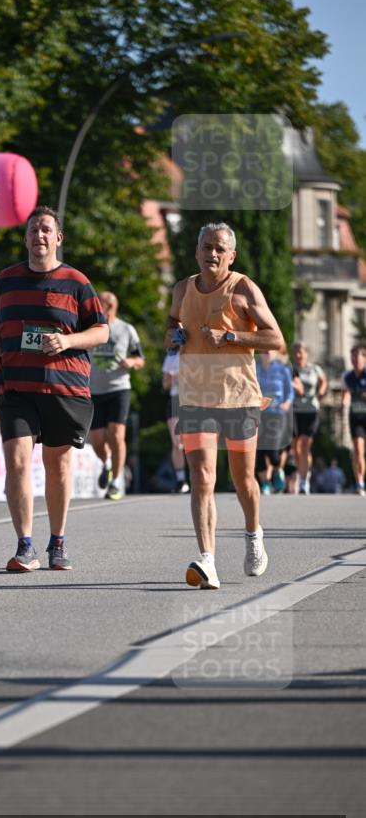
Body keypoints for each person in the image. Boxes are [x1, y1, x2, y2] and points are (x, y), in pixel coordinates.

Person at [0, 205, 108, 571]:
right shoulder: (6, 279)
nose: (39, 235)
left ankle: (58, 541)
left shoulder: (77, 281)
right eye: (34, 229)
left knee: (58, 463)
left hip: (63, 387)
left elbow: (101, 330)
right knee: (17, 460)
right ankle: (25, 546)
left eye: (46, 230)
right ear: (25, 238)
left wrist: (67, 343)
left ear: (58, 238)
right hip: (16, 386)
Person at [165, 222, 284, 590]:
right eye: (206, 247)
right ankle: (208, 559)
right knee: (202, 478)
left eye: (219, 248)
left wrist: (231, 336)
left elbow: (275, 338)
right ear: (196, 250)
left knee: (242, 479)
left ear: (231, 255)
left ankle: (252, 534)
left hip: (239, 397)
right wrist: (173, 334)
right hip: (195, 397)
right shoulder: (183, 288)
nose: (211, 254)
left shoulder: (243, 287)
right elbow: (172, 321)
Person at [89, 291, 145, 500]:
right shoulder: (91, 328)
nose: (95, 305)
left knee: (116, 434)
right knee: (96, 440)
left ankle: (115, 482)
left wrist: (131, 362)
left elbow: (140, 359)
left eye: (100, 303)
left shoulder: (126, 329)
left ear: (111, 306)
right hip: (94, 389)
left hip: (119, 388)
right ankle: (106, 464)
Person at [255, 350, 293, 494]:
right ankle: (265, 483)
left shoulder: (282, 369)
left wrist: (287, 404)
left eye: (270, 350)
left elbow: (289, 391)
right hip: (259, 413)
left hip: (277, 414)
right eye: (264, 350)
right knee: (258, 451)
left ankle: (277, 470)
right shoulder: (255, 368)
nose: (267, 353)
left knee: (273, 450)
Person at [291, 342, 326, 495]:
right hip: (294, 411)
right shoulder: (291, 369)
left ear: (306, 353)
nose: (298, 355)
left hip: (311, 410)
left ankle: (304, 480)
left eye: (301, 352)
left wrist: (321, 393)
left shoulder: (314, 369)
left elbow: (323, 381)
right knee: (295, 448)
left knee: (305, 445)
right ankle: (302, 471)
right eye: (296, 352)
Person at [161, 348, 189, 493]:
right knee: (178, 443)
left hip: (194, 400)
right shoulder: (171, 356)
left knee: (195, 442)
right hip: (176, 401)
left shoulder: (198, 351)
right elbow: (165, 385)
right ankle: (181, 480)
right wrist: (172, 378)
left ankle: (200, 477)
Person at [341, 343, 366, 495]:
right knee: (358, 450)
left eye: (358, 355)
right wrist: (344, 402)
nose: (355, 359)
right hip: (355, 417)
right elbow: (345, 394)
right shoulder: (347, 376)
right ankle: (360, 482)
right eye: (353, 356)